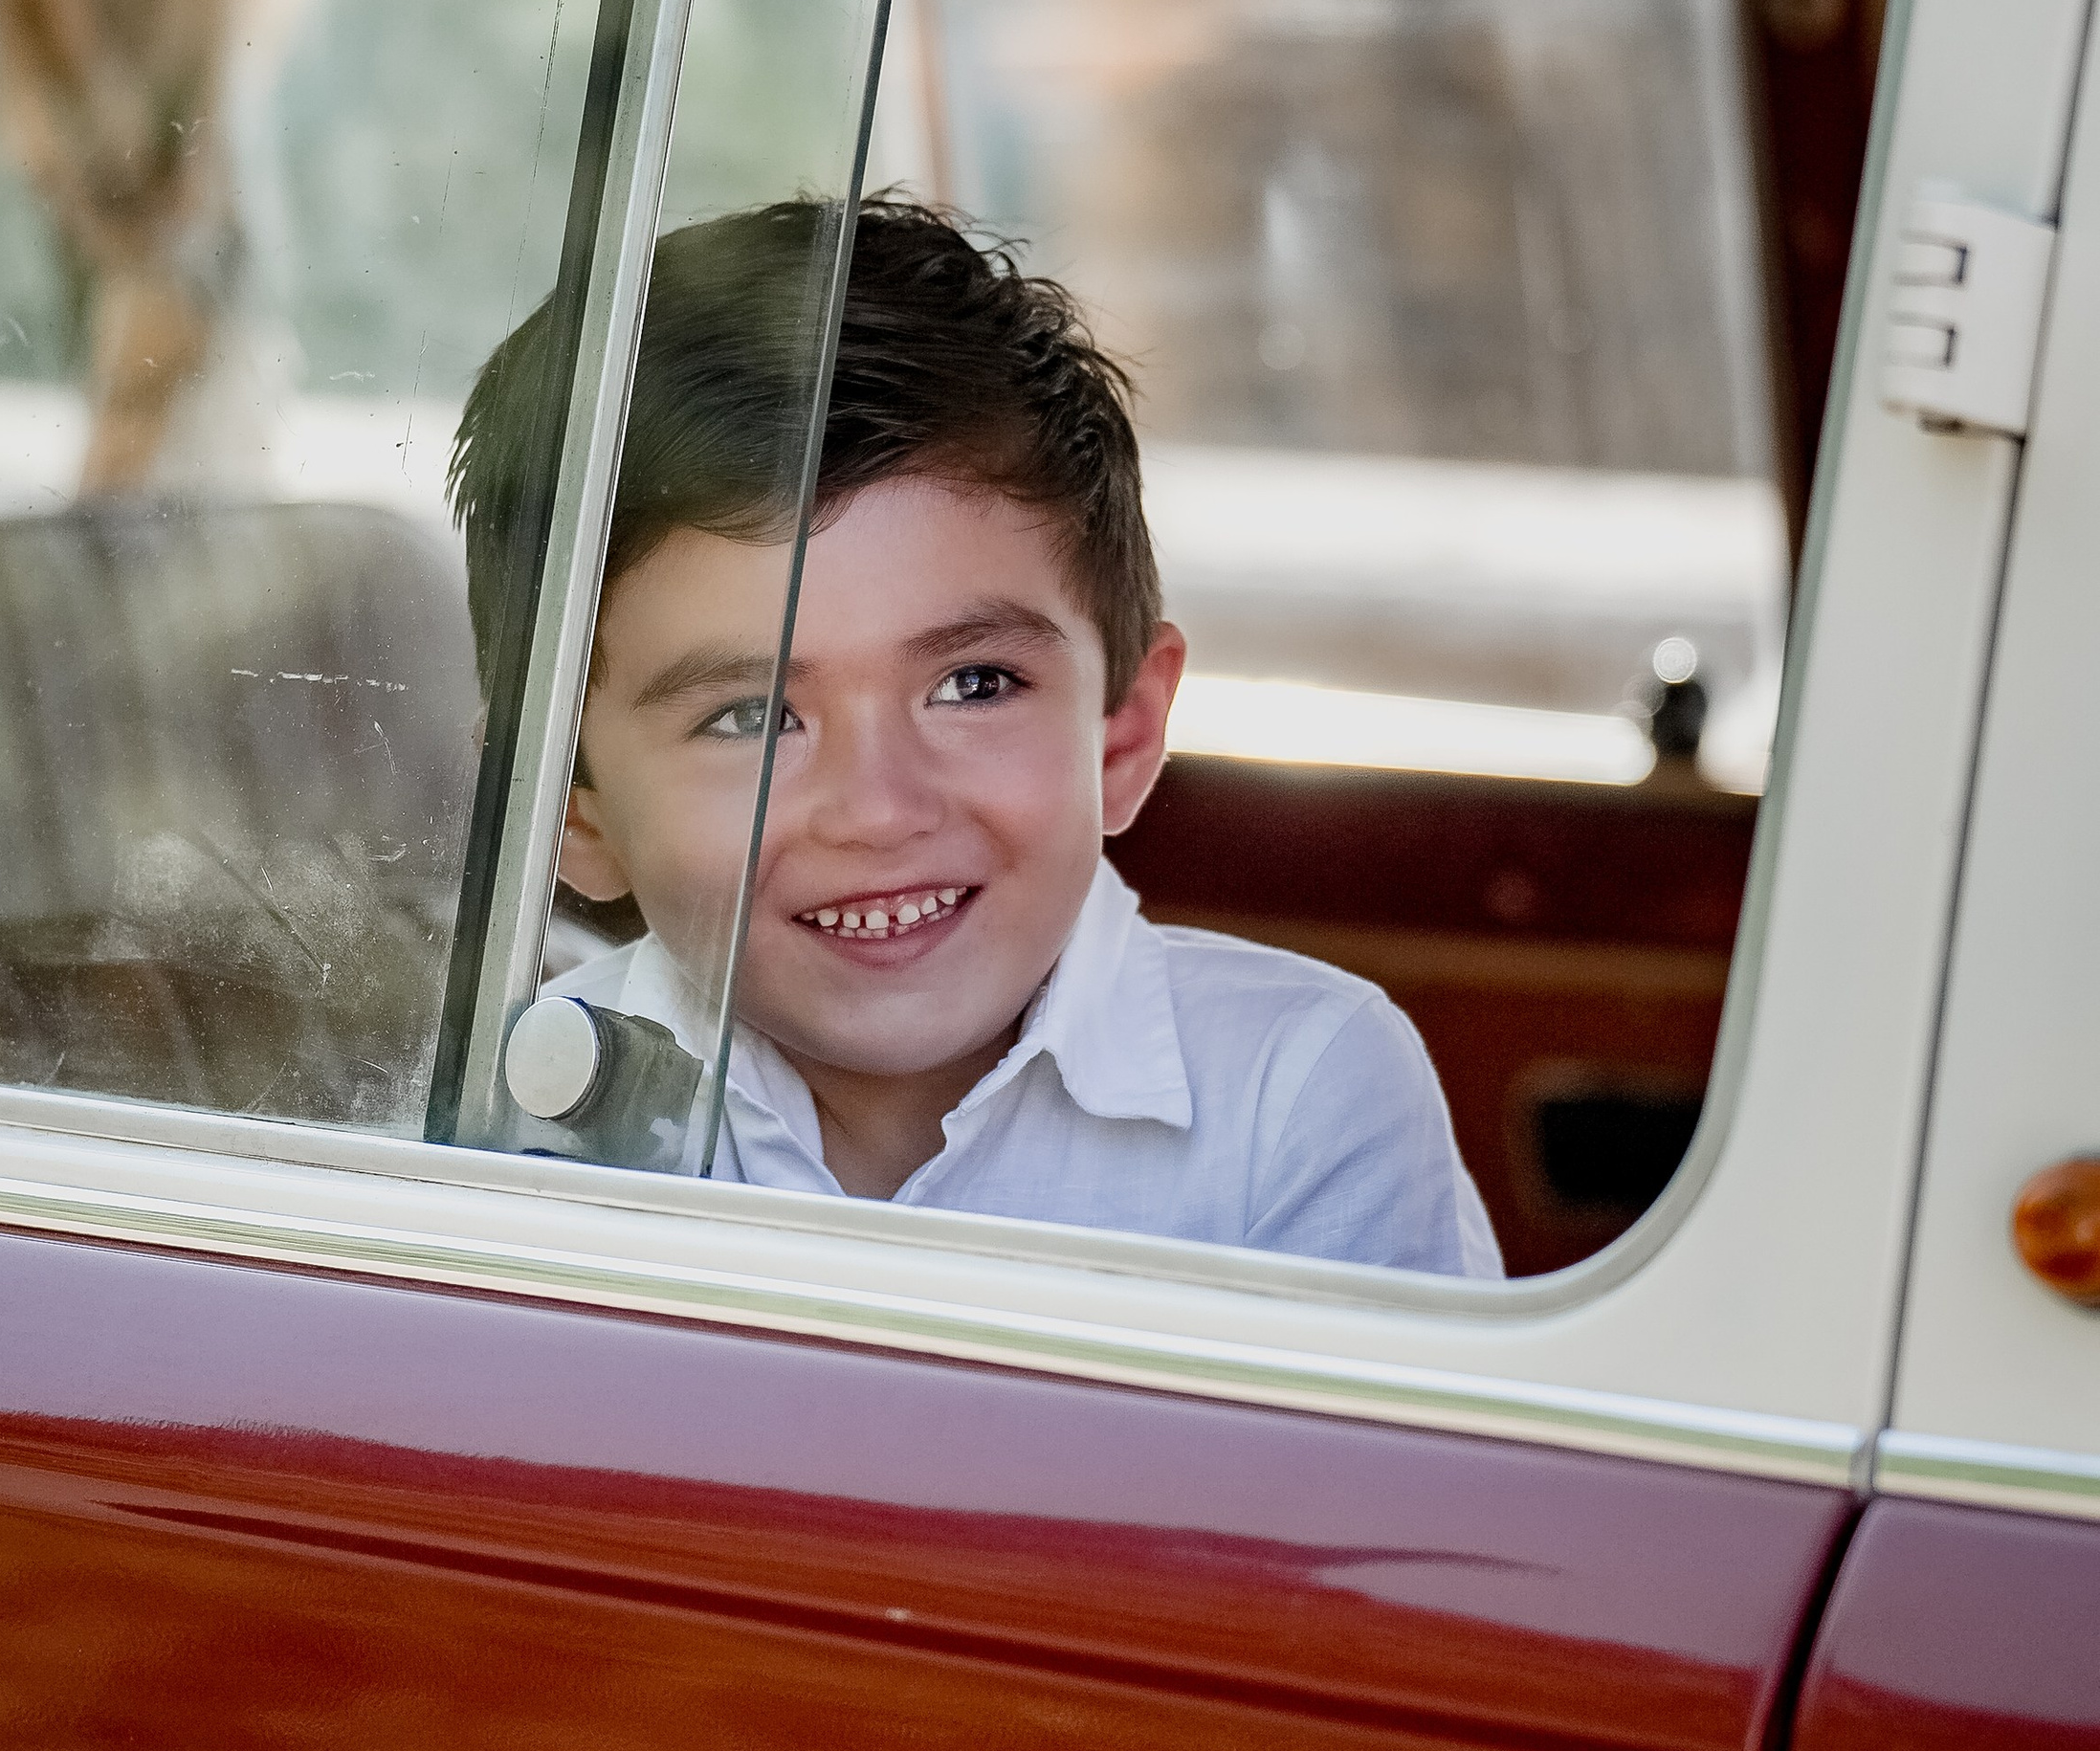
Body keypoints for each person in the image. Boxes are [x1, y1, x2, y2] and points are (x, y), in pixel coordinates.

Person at [451, 198, 1500, 1277]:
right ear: (567, 816)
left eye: (973, 686)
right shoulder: (498, 1126)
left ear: (1122, 738)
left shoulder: (1295, 1096)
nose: (879, 810)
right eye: (751, 718)